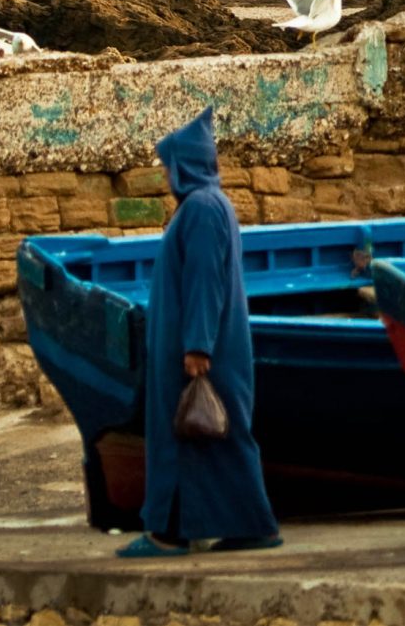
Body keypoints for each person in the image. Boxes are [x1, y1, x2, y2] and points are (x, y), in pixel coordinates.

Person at [117, 107, 282, 556]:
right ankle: (205, 528)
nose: (168, 175)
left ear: (185, 165)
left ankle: (175, 534)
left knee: (206, 437)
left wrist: (196, 345)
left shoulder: (204, 209)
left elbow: (206, 280)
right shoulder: (205, 206)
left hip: (204, 349)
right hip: (200, 345)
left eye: (171, 165)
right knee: (204, 440)